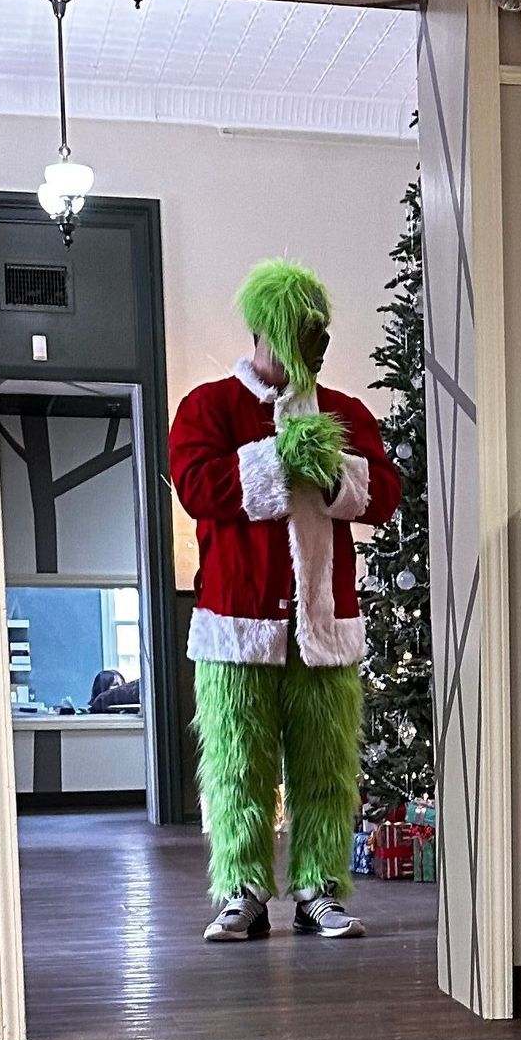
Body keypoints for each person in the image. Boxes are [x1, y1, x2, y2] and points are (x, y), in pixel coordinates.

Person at [167, 259, 401, 940]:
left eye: (323, 331)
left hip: (322, 625)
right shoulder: (209, 408)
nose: (319, 344)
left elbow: (384, 494)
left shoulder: (345, 413)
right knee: (237, 766)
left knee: (325, 767)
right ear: (270, 331)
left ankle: (318, 888)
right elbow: (196, 486)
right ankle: (241, 890)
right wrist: (277, 458)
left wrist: (328, 470)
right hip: (235, 626)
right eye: (306, 330)